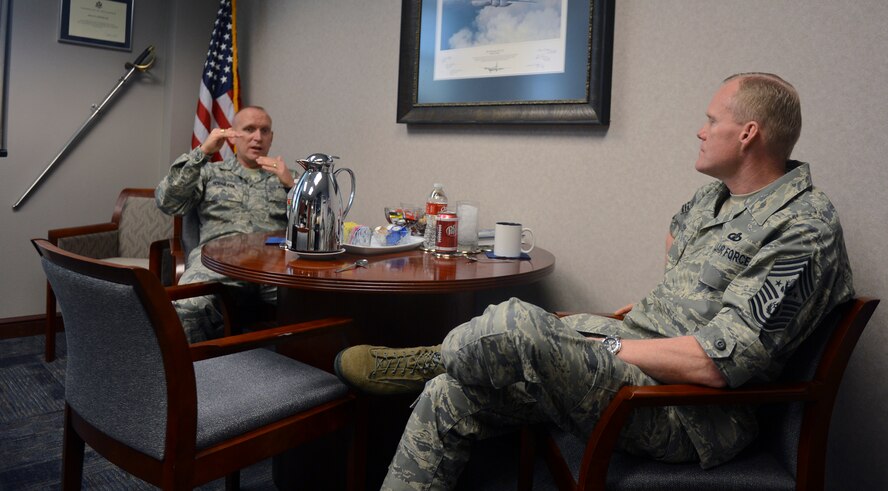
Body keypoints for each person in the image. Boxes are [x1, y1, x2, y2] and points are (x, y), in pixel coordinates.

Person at [333, 73, 854, 490]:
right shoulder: (714, 198)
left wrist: (604, 342)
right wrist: (630, 321)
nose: (699, 130)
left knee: (516, 321)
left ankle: (431, 354)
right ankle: (444, 365)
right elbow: (681, 265)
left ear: (747, 133)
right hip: (640, 364)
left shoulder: (803, 229)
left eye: (710, 119)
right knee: (451, 394)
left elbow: (718, 365)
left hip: (689, 411)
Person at [156, 106, 296, 342]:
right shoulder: (209, 172)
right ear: (233, 135)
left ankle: (311, 374)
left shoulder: (287, 175)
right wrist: (203, 152)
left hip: (275, 264)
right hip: (217, 261)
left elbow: (317, 230)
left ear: (272, 137)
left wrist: (291, 187)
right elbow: (167, 202)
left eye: (264, 130)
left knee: (322, 303)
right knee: (187, 305)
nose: (257, 137)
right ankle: (195, 374)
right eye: (249, 129)